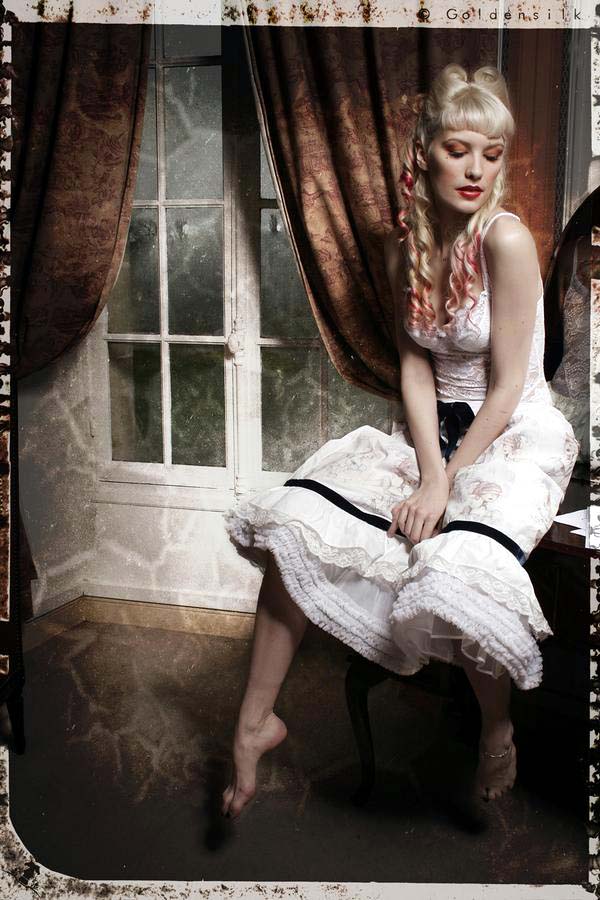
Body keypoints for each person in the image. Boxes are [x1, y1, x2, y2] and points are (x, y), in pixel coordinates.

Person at [221, 64, 580, 819]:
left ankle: (496, 729)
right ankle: (253, 724)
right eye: (459, 150)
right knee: (298, 524)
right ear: (426, 153)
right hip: (431, 433)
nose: (476, 170)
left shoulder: (507, 240)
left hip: (513, 433)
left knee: (459, 565)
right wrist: (428, 470)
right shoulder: (401, 248)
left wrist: (446, 481)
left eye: (491, 154)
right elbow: (415, 370)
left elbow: (508, 387)